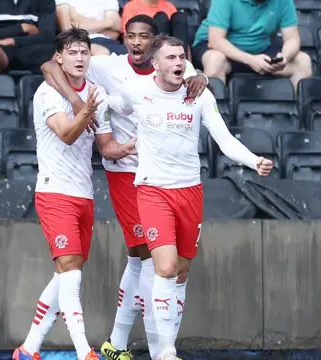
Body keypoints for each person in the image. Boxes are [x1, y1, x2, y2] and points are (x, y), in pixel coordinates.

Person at [40, 15, 208, 360]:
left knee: (140, 260)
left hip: (163, 178)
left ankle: (117, 344)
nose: (135, 42)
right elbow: (48, 65)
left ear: (154, 42)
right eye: (130, 36)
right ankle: (157, 349)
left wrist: (202, 76)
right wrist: (75, 101)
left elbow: (198, 84)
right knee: (150, 258)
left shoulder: (174, 66)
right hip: (126, 173)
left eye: (143, 37)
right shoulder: (110, 66)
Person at [118, 35, 274, 360]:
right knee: (166, 266)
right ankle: (165, 351)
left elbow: (224, 139)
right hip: (152, 190)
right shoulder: (137, 91)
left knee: (181, 272)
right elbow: (109, 106)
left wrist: (253, 160)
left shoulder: (198, 96)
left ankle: (167, 346)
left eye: (181, 57)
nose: (177, 63)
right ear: (155, 64)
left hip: (190, 191)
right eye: (170, 58)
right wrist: (100, 130)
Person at [13, 28, 136, 360]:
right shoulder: (47, 94)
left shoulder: (95, 91)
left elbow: (106, 146)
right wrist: (86, 109)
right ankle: (85, 351)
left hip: (84, 193)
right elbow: (67, 134)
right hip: (54, 191)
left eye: (85, 52)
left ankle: (28, 349)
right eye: (73, 52)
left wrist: (130, 148)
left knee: (65, 274)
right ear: (60, 57)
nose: (80, 58)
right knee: (71, 271)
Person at [191, 0, 312, 88]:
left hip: (259, 48)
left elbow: (292, 38)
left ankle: (297, 119)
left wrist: (284, 57)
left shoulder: (283, 2)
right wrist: (251, 60)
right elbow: (216, 40)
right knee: (215, 60)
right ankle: (215, 116)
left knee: (303, 62)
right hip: (220, 49)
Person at [0, 0, 56, 74]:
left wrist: (11, 41)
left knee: (62, 55)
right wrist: (21, 28)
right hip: (0, 49)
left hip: (33, 47)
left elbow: (48, 37)